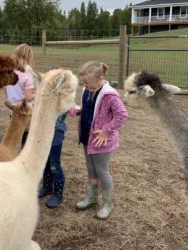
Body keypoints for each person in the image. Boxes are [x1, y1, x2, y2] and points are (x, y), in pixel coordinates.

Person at [75, 61, 128, 219]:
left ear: (101, 78)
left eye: (88, 82)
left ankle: (107, 203)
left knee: (102, 171)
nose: (85, 85)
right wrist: (79, 111)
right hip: (87, 137)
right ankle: (91, 198)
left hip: (101, 141)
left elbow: (122, 115)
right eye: (83, 82)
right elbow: (90, 109)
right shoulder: (87, 90)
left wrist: (106, 131)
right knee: (91, 170)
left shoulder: (109, 95)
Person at [5, 43, 36, 146]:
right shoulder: (27, 75)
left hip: (13, 110)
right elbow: (28, 97)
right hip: (26, 112)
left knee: (15, 137)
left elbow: (6, 90)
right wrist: (37, 94)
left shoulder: (9, 73)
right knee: (26, 141)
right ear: (28, 58)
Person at [38, 112, 68, 209]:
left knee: (54, 164)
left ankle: (58, 194)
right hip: (43, 132)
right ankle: (47, 187)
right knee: (46, 162)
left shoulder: (60, 98)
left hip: (56, 132)